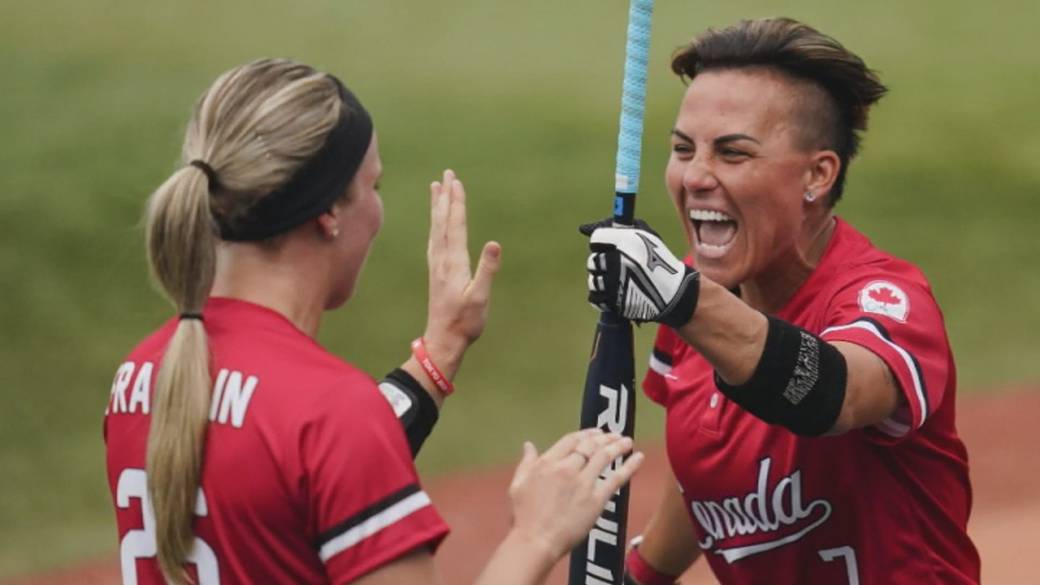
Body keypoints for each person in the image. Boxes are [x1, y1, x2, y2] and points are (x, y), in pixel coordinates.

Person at [104, 58, 644, 585]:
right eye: (374, 187)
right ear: (328, 213)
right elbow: (319, 439)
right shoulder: (332, 410)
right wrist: (536, 536)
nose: (379, 213)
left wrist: (443, 346)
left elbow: (289, 474)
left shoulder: (144, 376)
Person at [581, 18, 980, 584]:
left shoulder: (887, 301)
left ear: (817, 174)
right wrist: (641, 577)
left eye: (733, 153)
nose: (696, 176)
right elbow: (707, 466)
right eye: (682, 149)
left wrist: (680, 297)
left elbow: (833, 396)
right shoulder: (693, 306)